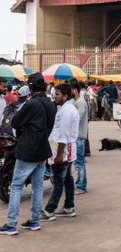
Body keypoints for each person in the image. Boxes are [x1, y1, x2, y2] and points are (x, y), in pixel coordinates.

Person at [0, 73, 56, 236]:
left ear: (30, 88)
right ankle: (34, 220)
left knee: (17, 186)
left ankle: (11, 224)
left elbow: (16, 122)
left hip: (28, 149)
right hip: (42, 148)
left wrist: (27, 130)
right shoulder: (50, 103)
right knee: (38, 186)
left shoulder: (31, 104)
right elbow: (49, 126)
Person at [40, 83, 79, 222]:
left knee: (58, 181)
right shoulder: (65, 109)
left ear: (65, 96)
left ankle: (50, 210)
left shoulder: (67, 111)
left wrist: (58, 155)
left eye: (57, 94)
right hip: (65, 150)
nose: (54, 96)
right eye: (54, 93)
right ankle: (69, 207)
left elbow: (64, 135)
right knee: (67, 179)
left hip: (63, 151)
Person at [70, 80, 89, 195]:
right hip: (74, 136)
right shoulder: (73, 101)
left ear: (75, 90)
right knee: (76, 162)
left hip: (79, 136)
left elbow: (78, 118)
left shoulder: (81, 102)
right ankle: (80, 184)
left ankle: (81, 186)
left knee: (79, 162)